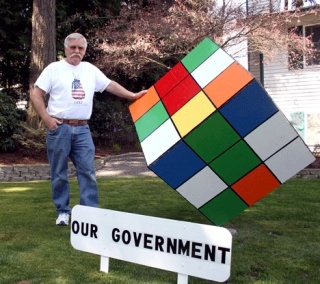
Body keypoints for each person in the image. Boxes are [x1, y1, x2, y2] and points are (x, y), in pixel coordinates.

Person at [30, 33, 147, 226]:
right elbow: (36, 93)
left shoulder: (90, 70)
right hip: (60, 128)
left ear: (85, 50)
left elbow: (109, 85)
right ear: (66, 48)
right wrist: (47, 119)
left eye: (80, 48)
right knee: (59, 173)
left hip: (83, 129)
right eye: (73, 47)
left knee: (88, 171)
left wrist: (132, 95)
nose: (76, 51)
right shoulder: (54, 69)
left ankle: (88, 215)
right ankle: (63, 212)